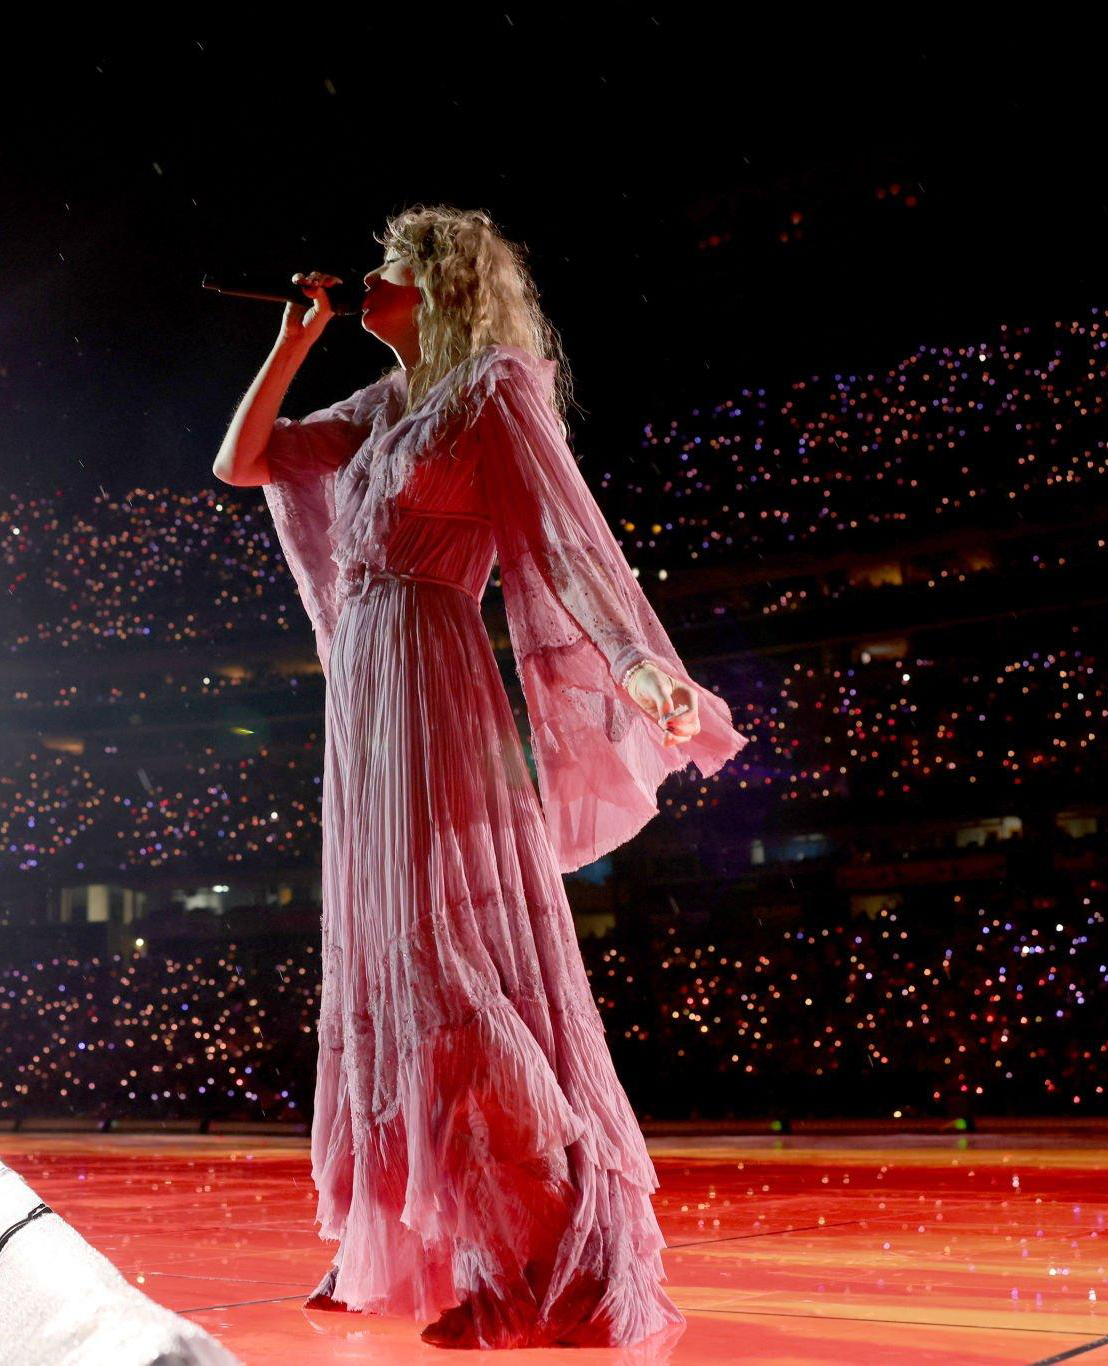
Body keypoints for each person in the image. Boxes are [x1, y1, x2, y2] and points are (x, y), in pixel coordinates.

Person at [213, 205, 750, 1349]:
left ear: (439, 283)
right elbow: (242, 461)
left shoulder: (492, 388)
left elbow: (562, 536)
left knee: (439, 954)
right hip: (364, 696)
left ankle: (530, 1256)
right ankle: (411, 1241)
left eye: (387, 267)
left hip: (430, 672)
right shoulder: (379, 406)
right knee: (379, 956)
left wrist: (634, 664)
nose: (365, 279)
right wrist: (294, 341)